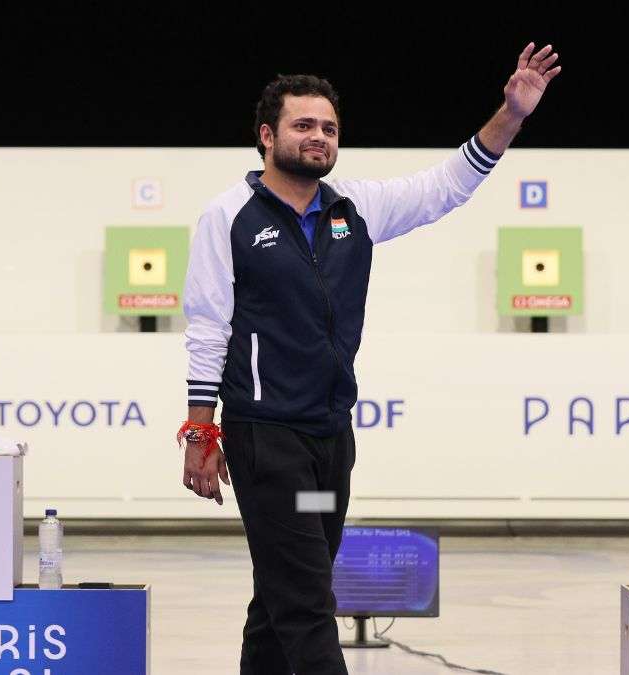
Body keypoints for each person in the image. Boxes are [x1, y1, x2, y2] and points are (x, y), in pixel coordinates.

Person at [179, 42, 561, 675]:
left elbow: (447, 186)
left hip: (330, 441)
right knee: (305, 596)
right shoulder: (228, 218)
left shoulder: (355, 207)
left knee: (289, 579)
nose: (319, 137)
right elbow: (208, 326)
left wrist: (511, 115)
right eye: (303, 125)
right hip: (265, 438)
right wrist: (200, 428)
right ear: (266, 135)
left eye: (329, 127)